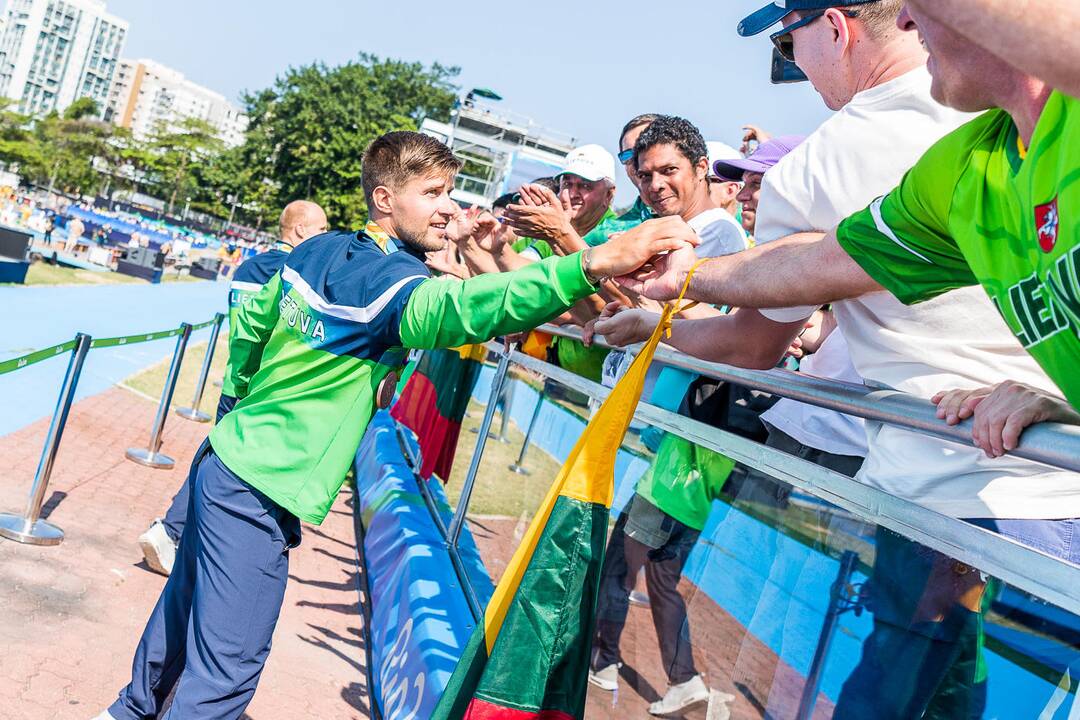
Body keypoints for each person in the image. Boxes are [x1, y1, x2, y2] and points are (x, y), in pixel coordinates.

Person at [95, 130, 689, 720]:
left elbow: (252, 324)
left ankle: (128, 710)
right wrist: (588, 264)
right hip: (260, 485)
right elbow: (461, 310)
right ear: (385, 198)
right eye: (433, 193)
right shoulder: (390, 286)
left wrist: (234, 410)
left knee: (182, 609)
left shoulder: (319, 250)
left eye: (450, 191)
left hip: (228, 459)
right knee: (227, 668)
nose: (449, 206)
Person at [136, 200, 330, 576]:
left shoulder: (247, 266)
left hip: (233, 379)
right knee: (229, 477)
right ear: (302, 230)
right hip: (262, 389)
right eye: (322, 230)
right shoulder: (295, 272)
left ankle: (175, 535)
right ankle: (175, 534)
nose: (324, 239)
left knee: (215, 464)